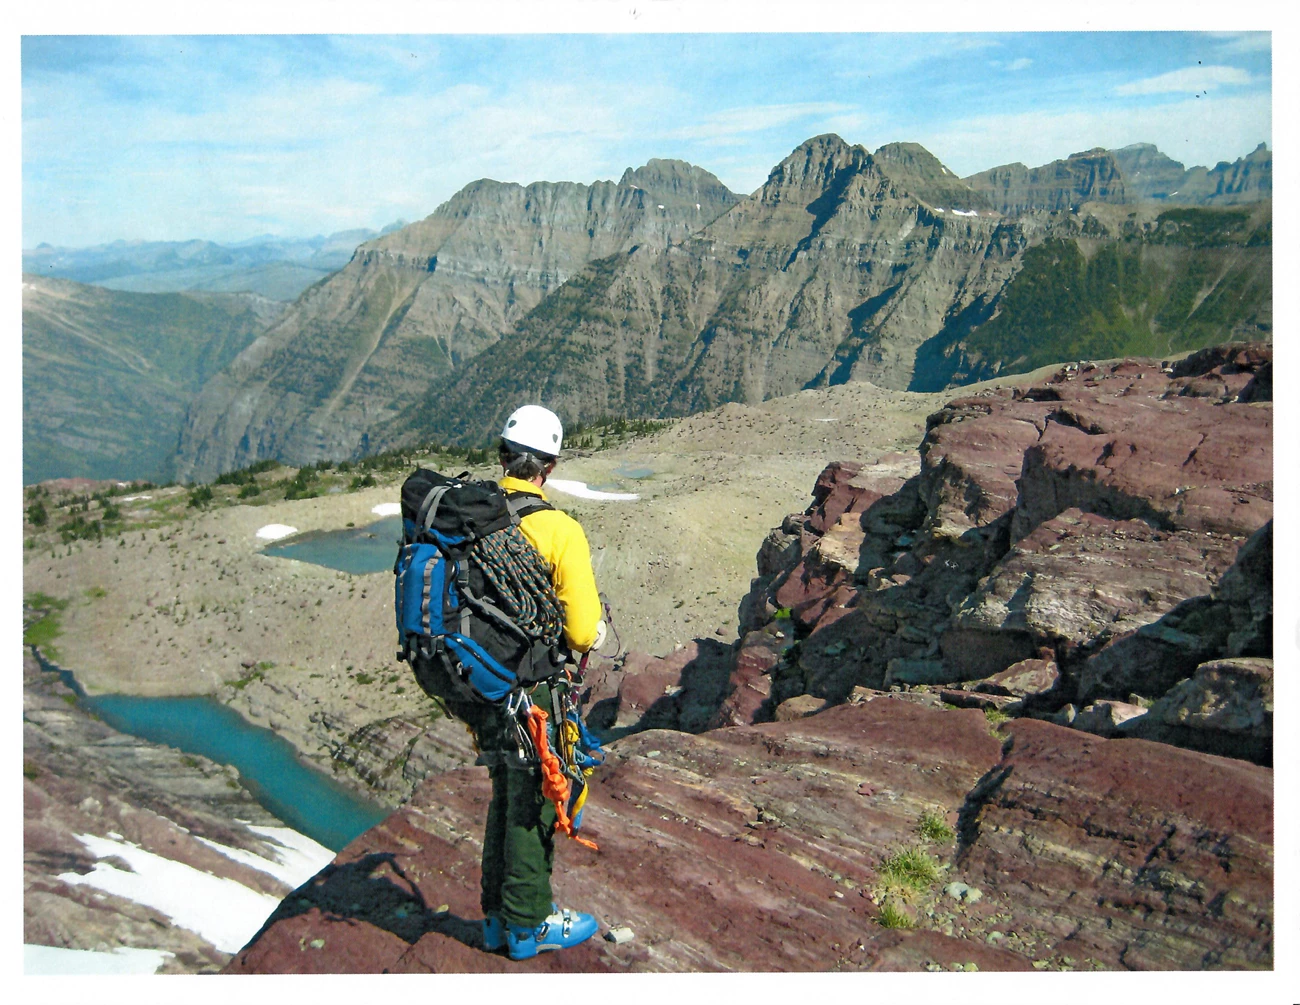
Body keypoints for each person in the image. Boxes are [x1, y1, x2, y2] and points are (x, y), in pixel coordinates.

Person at [411, 404, 606, 961]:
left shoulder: (468, 518)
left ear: (503, 457)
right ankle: (528, 925)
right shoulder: (558, 530)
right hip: (531, 691)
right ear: (548, 466)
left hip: (480, 685)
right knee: (536, 801)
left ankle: (496, 917)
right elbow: (583, 630)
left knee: (505, 790)